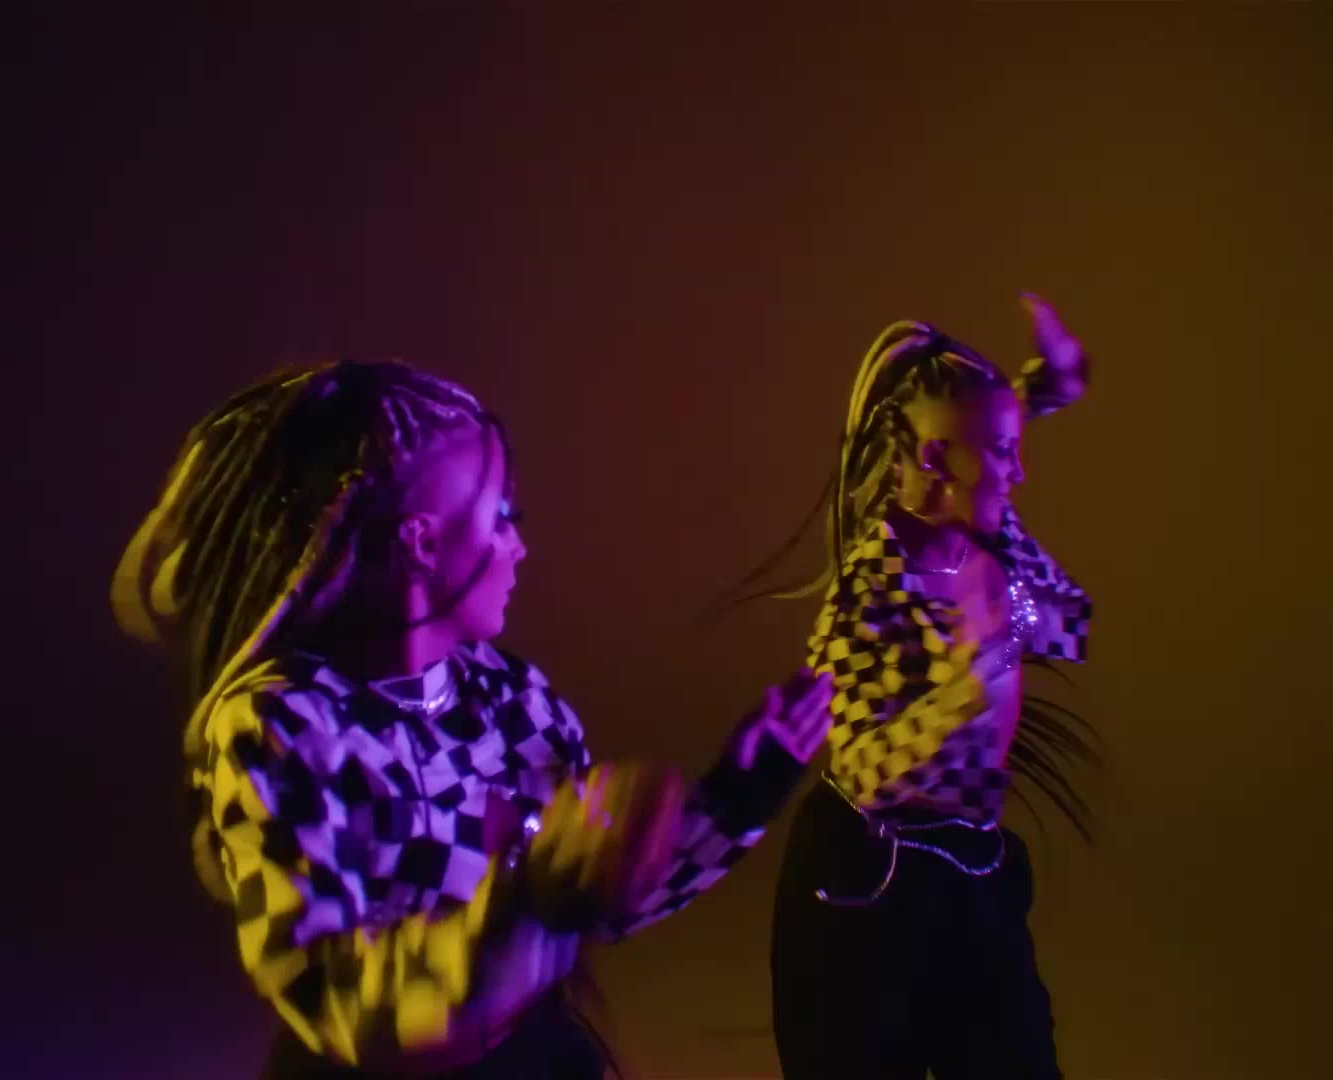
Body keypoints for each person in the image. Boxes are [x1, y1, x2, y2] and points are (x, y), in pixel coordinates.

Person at [111, 358, 833, 1078]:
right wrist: (524, 905)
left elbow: (593, 908)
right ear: (420, 543)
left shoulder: (512, 699)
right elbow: (336, 995)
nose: (520, 545)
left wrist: (739, 794)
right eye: (500, 517)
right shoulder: (282, 725)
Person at [746, 297, 1098, 1079]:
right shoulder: (872, 590)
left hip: (971, 866)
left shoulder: (984, 532)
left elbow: (992, 427)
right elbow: (859, 768)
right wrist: (957, 700)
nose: (1019, 471)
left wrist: (1047, 386)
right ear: (935, 461)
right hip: (872, 885)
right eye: (1003, 454)